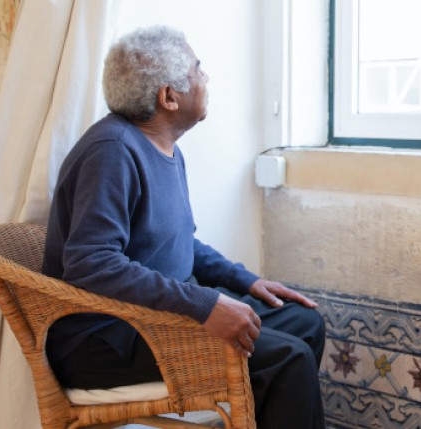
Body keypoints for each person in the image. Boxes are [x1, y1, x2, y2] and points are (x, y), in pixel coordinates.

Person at [41, 26, 326, 429]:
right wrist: (204, 305)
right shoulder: (112, 152)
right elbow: (91, 263)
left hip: (154, 322)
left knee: (303, 321)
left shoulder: (164, 147)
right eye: (198, 69)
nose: (205, 78)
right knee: (287, 361)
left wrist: (245, 281)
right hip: (107, 340)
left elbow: (178, 243)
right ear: (168, 97)